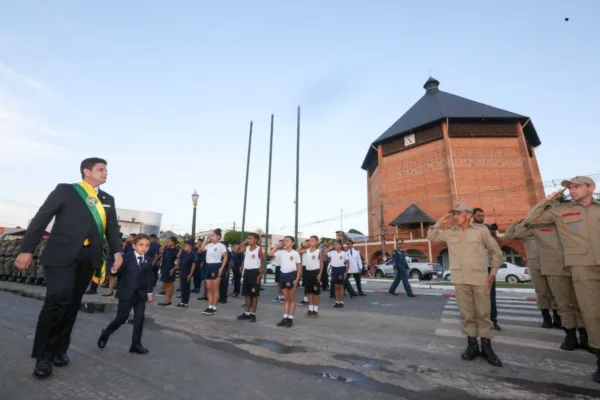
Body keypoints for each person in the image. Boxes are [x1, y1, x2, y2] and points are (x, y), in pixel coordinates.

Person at [14, 157, 123, 379]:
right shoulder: (66, 191)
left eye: (106, 170)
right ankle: (43, 355)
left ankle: (59, 349)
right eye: (101, 170)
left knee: (72, 305)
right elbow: (41, 219)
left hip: (87, 259)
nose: (105, 173)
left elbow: (112, 229)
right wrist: (26, 249)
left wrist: (117, 251)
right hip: (60, 255)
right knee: (58, 300)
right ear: (86, 171)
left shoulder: (107, 199)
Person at [524, 176, 600, 383]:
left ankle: (586, 340)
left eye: (577, 186)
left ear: (591, 188)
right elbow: (530, 219)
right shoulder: (560, 211)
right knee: (590, 312)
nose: (572, 190)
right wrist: (549, 199)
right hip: (580, 268)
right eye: (569, 187)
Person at [428, 204, 503, 367]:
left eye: (458, 213)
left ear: (468, 215)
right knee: (467, 315)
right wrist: (441, 221)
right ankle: (472, 345)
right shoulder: (449, 233)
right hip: (460, 279)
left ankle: (487, 347)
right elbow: (432, 237)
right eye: (453, 214)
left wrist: (493, 273)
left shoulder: (481, 230)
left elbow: (496, 252)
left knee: (483, 314)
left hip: (479, 278)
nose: (455, 216)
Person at [506, 219, 588, 351]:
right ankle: (548, 319)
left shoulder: (556, 226)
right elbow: (509, 236)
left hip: (557, 266)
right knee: (542, 292)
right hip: (537, 266)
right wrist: (515, 223)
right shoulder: (529, 229)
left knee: (564, 298)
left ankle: (562, 321)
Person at [97, 234, 154, 354]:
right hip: (126, 293)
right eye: (141, 245)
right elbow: (115, 272)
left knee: (139, 319)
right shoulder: (126, 258)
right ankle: (106, 333)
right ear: (134, 245)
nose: (144, 248)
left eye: (147, 245)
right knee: (121, 318)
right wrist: (114, 268)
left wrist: (149, 291)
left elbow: (149, 277)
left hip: (140, 294)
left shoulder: (148, 260)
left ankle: (136, 344)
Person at [472, 208, 502, 331]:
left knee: (490, 296)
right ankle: (476, 321)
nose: (481, 218)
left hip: (487, 269)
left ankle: (493, 320)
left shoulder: (487, 231)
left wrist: (493, 235)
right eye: (478, 216)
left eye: (482, 216)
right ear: (473, 216)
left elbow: (498, 249)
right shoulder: (470, 230)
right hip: (473, 269)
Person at [270, 236, 302, 327]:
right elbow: (271, 253)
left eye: (287, 241)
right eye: (284, 241)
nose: (285, 242)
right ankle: (285, 317)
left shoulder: (295, 253)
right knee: (286, 299)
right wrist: (277, 246)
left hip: (291, 275)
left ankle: (290, 318)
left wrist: (297, 279)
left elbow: (299, 266)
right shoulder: (280, 252)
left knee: (291, 299)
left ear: (292, 243)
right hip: (283, 275)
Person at [199, 229, 228, 315]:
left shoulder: (221, 246)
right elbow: (201, 249)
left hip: (216, 266)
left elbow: (225, 258)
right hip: (208, 266)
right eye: (210, 235)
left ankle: (214, 307)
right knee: (209, 289)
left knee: (215, 289)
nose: (211, 237)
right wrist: (206, 240)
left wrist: (221, 268)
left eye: (213, 235)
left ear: (218, 236)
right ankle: (209, 306)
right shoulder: (209, 245)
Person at [236, 233, 264, 322]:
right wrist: (242, 243)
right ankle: (247, 313)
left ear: (255, 240)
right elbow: (236, 251)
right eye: (248, 238)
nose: (248, 240)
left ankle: (253, 314)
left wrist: (260, 274)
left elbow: (262, 262)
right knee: (247, 294)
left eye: (250, 238)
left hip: (255, 272)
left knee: (254, 294)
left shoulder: (259, 249)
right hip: (247, 272)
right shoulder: (247, 248)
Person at [299, 235, 323, 318]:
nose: (310, 242)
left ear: (317, 242)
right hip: (307, 273)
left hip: (315, 272)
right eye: (309, 240)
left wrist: (320, 274)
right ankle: (310, 309)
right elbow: (297, 251)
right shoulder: (306, 250)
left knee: (315, 292)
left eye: (312, 240)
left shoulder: (318, 251)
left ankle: (315, 310)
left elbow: (321, 263)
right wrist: (303, 245)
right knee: (309, 292)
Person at [328, 240, 349, 309]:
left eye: (336, 244)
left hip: (341, 269)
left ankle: (342, 302)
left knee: (341, 287)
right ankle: (337, 302)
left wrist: (346, 272)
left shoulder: (344, 253)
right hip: (334, 269)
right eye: (334, 244)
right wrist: (329, 248)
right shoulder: (332, 252)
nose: (335, 245)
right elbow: (324, 253)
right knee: (336, 287)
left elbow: (347, 263)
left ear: (340, 245)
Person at [158, 237, 179, 306]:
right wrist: (163, 246)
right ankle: (166, 299)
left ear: (173, 242)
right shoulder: (167, 249)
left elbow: (178, 261)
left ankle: (168, 300)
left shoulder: (176, 250)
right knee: (165, 284)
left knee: (170, 284)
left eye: (169, 241)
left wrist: (173, 269)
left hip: (170, 268)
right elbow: (160, 252)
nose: (167, 242)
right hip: (164, 268)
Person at [175, 240, 196, 309]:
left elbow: (193, 265)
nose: (184, 247)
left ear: (189, 246)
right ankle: (182, 302)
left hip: (187, 273)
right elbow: (178, 256)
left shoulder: (192, 254)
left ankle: (185, 302)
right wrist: (181, 250)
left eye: (185, 246)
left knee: (186, 289)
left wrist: (190, 274)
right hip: (182, 272)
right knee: (183, 288)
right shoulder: (184, 253)